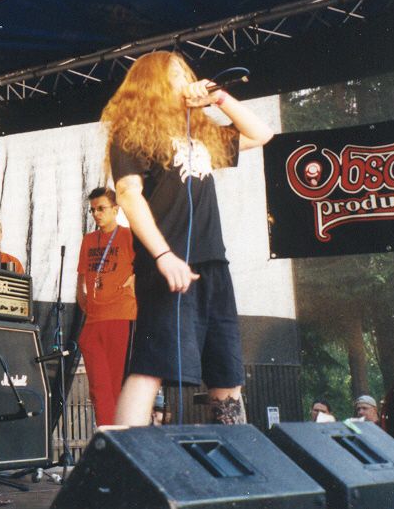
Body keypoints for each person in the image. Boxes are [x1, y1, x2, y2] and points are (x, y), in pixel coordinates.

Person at [103, 51, 273, 426]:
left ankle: (233, 456)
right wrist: (163, 255)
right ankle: (121, 455)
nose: (186, 80)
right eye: (176, 74)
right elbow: (128, 195)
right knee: (151, 367)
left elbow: (261, 134)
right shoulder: (131, 132)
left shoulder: (202, 134)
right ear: (153, 83)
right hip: (167, 263)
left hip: (212, 263)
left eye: (186, 73)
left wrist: (219, 98)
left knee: (226, 372)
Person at [75, 187, 135, 426]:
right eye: (92, 210)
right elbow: (81, 275)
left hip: (121, 316)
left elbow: (147, 266)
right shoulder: (89, 240)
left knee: (117, 383)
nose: (96, 214)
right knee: (98, 387)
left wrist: (134, 280)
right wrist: (82, 296)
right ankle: (106, 431)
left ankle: (120, 433)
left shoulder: (128, 235)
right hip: (94, 319)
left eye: (101, 209)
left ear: (115, 209)